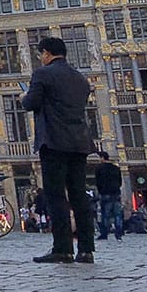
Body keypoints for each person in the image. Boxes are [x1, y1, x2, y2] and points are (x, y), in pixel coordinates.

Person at [23, 36, 96, 265]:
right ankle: (86, 250)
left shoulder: (42, 74)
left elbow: (31, 103)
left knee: (56, 196)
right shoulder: (80, 79)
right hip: (79, 142)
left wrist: (23, 96)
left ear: (46, 53)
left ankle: (62, 248)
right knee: (79, 195)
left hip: (54, 141)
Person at [93, 152, 124, 243]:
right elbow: (120, 181)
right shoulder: (116, 168)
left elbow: (98, 182)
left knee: (105, 215)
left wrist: (101, 191)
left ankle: (104, 234)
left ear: (102, 158)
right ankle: (118, 233)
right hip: (116, 193)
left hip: (105, 193)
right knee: (117, 215)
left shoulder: (99, 168)